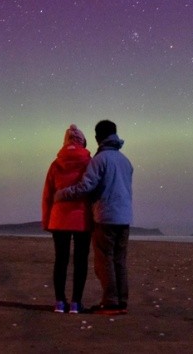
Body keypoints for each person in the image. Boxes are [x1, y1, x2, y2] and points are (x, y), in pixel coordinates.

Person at [55, 119, 133, 315]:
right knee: (119, 260)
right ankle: (122, 301)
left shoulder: (100, 160)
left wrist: (63, 193)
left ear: (99, 137)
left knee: (104, 260)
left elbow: (86, 186)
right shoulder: (125, 161)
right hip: (125, 217)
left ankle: (111, 302)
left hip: (106, 216)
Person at [41, 124, 92, 314]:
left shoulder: (56, 164)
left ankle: (60, 302)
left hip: (59, 218)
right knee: (80, 261)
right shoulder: (89, 162)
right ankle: (76, 303)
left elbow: (47, 194)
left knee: (60, 260)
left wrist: (47, 220)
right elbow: (92, 188)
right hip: (82, 218)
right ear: (82, 142)